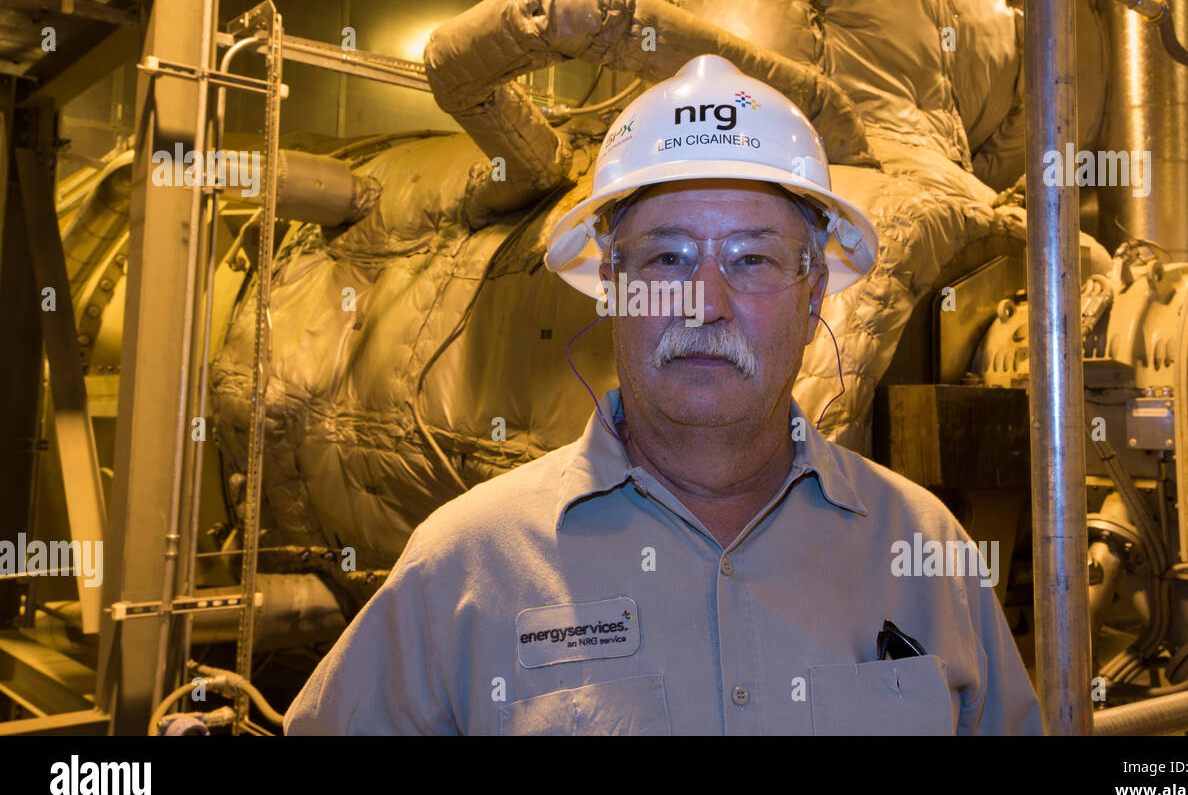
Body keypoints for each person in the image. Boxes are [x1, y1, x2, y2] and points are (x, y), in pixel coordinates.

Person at [284, 54, 1043, 735]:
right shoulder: (469, 565)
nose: (704, 303)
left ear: (815, 297)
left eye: (753, 259)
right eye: (666, 258)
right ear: (610, 291)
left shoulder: (924, 548)